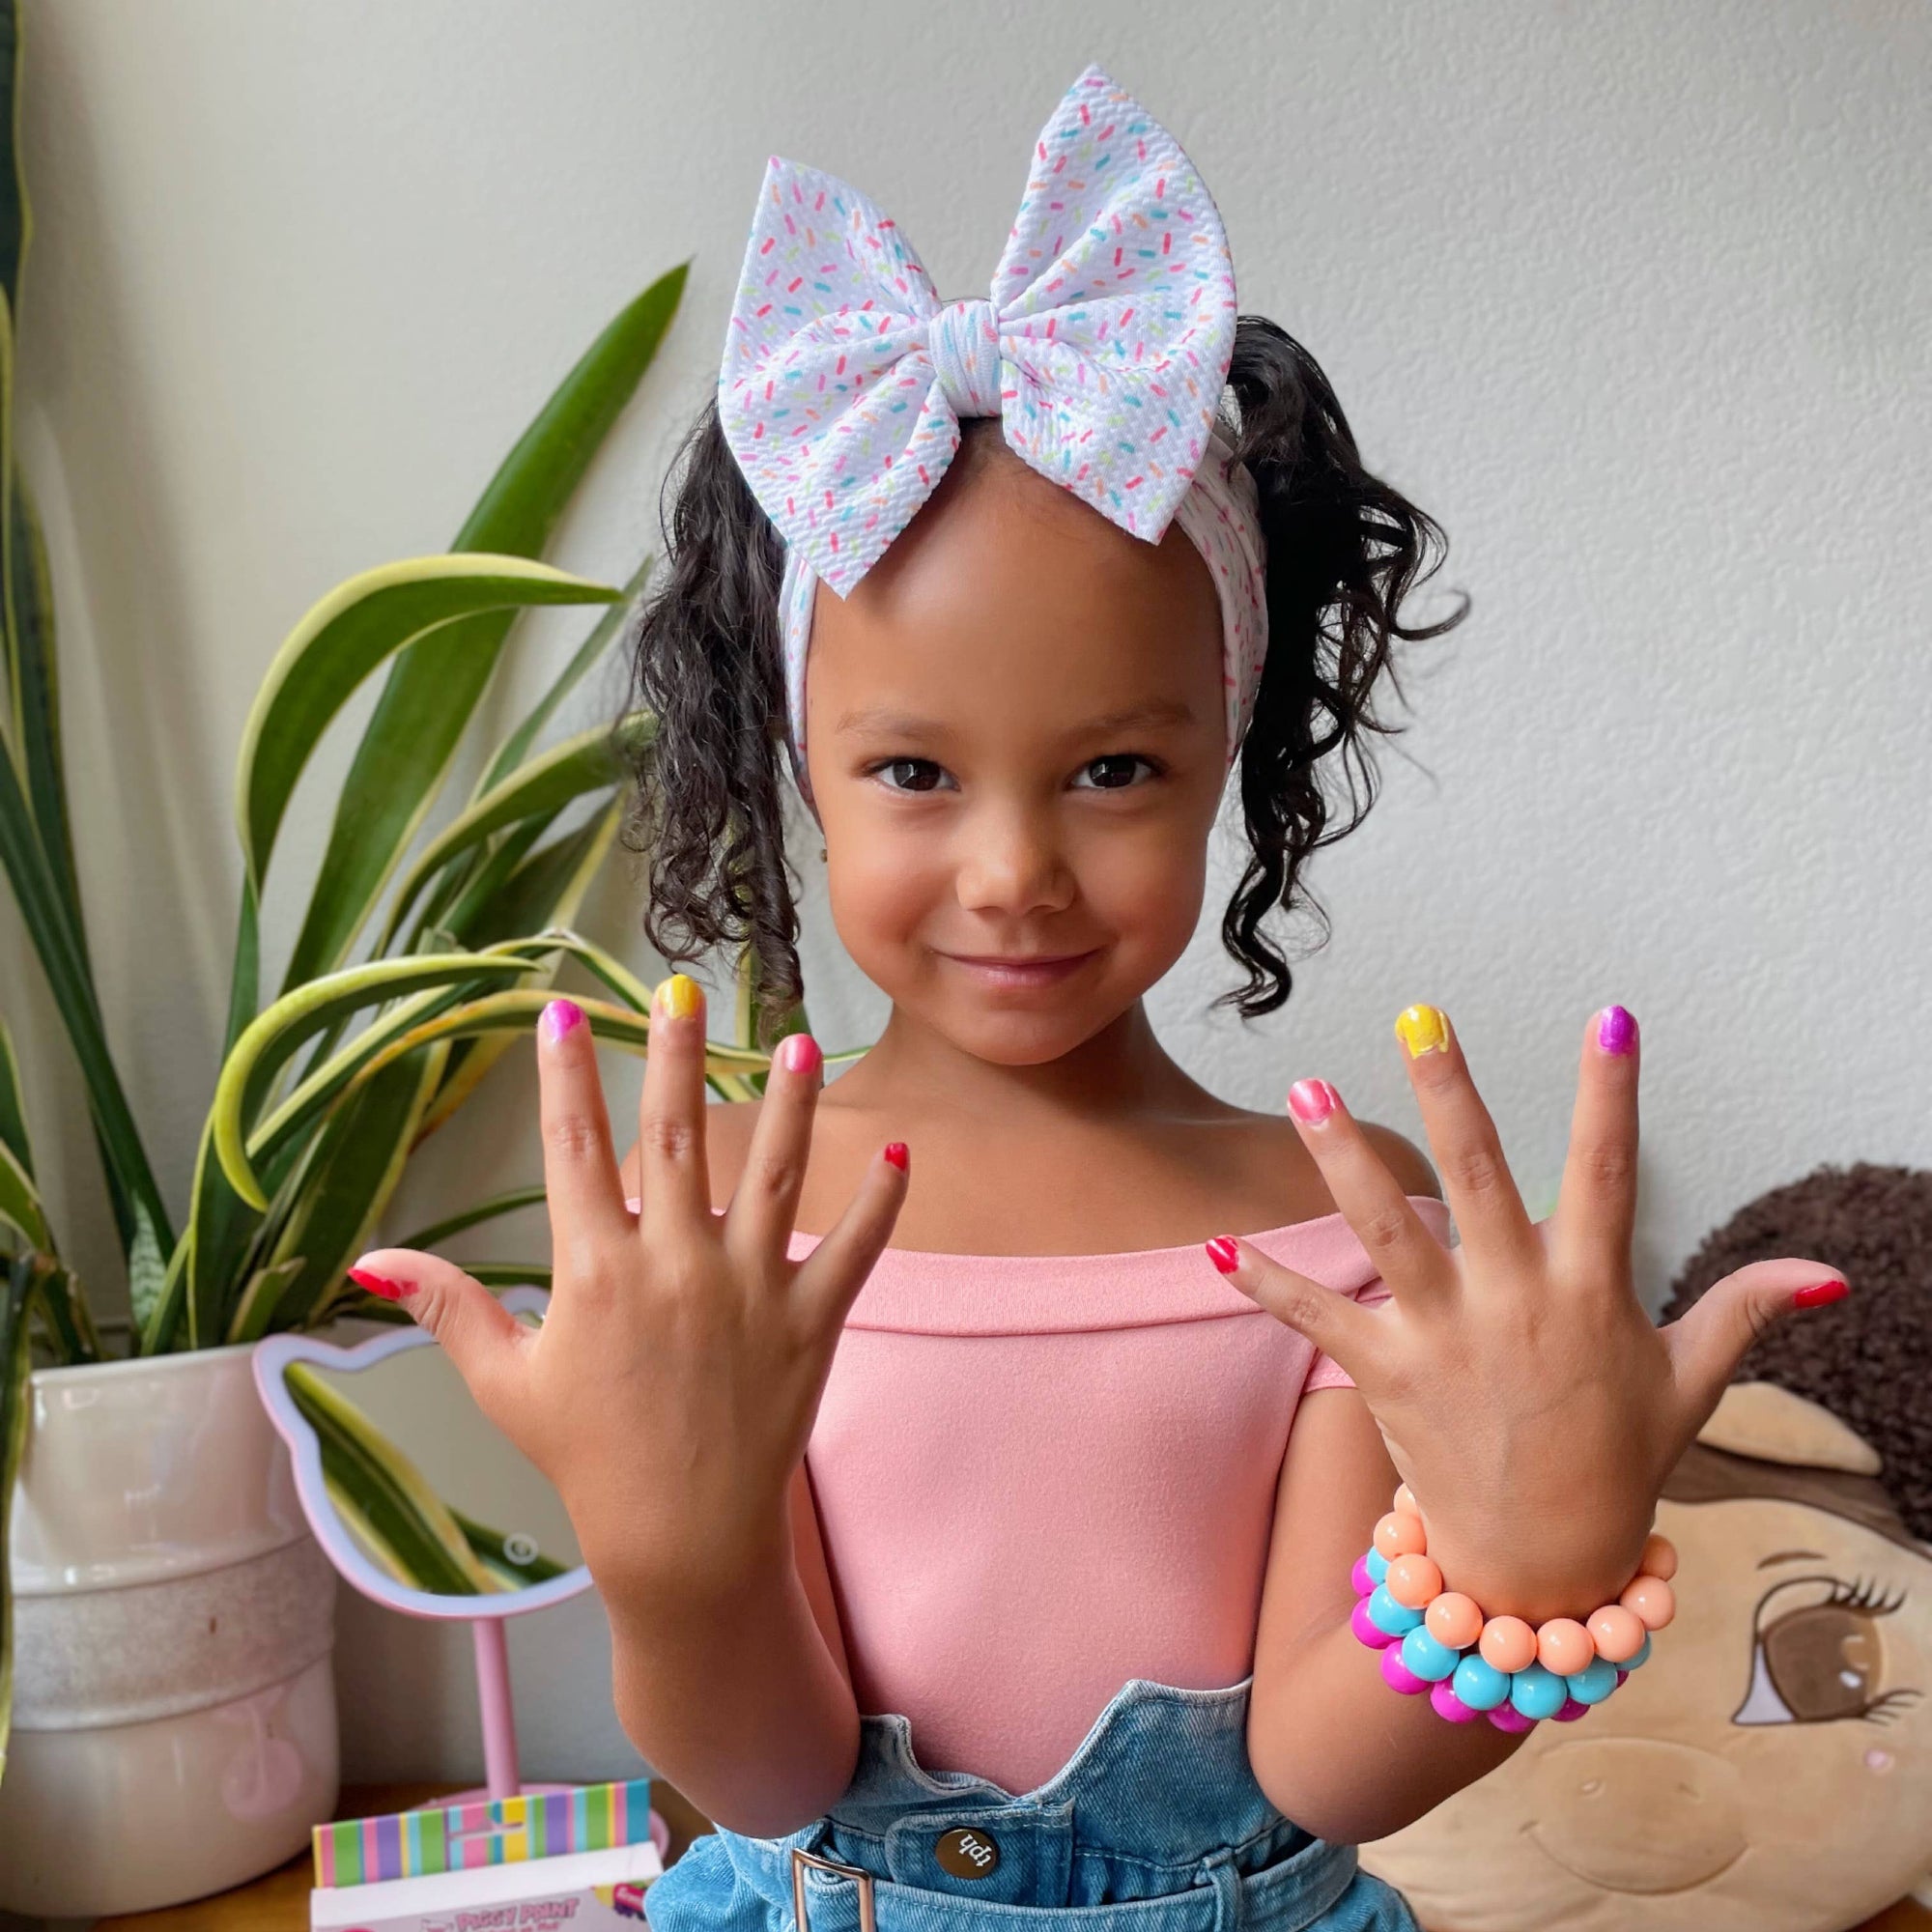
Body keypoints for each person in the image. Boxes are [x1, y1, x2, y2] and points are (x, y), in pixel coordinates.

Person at [346, 61, 1849, 1932]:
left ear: (1232, 748)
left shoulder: (1330, 1216)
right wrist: (665, 1549)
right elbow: (768, 1775)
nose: (1010, 872)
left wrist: (1522, 1569)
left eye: (1112, 771)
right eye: (912, 773)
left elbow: (1320, 1770)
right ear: (789, 759)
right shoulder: (715, 1221)